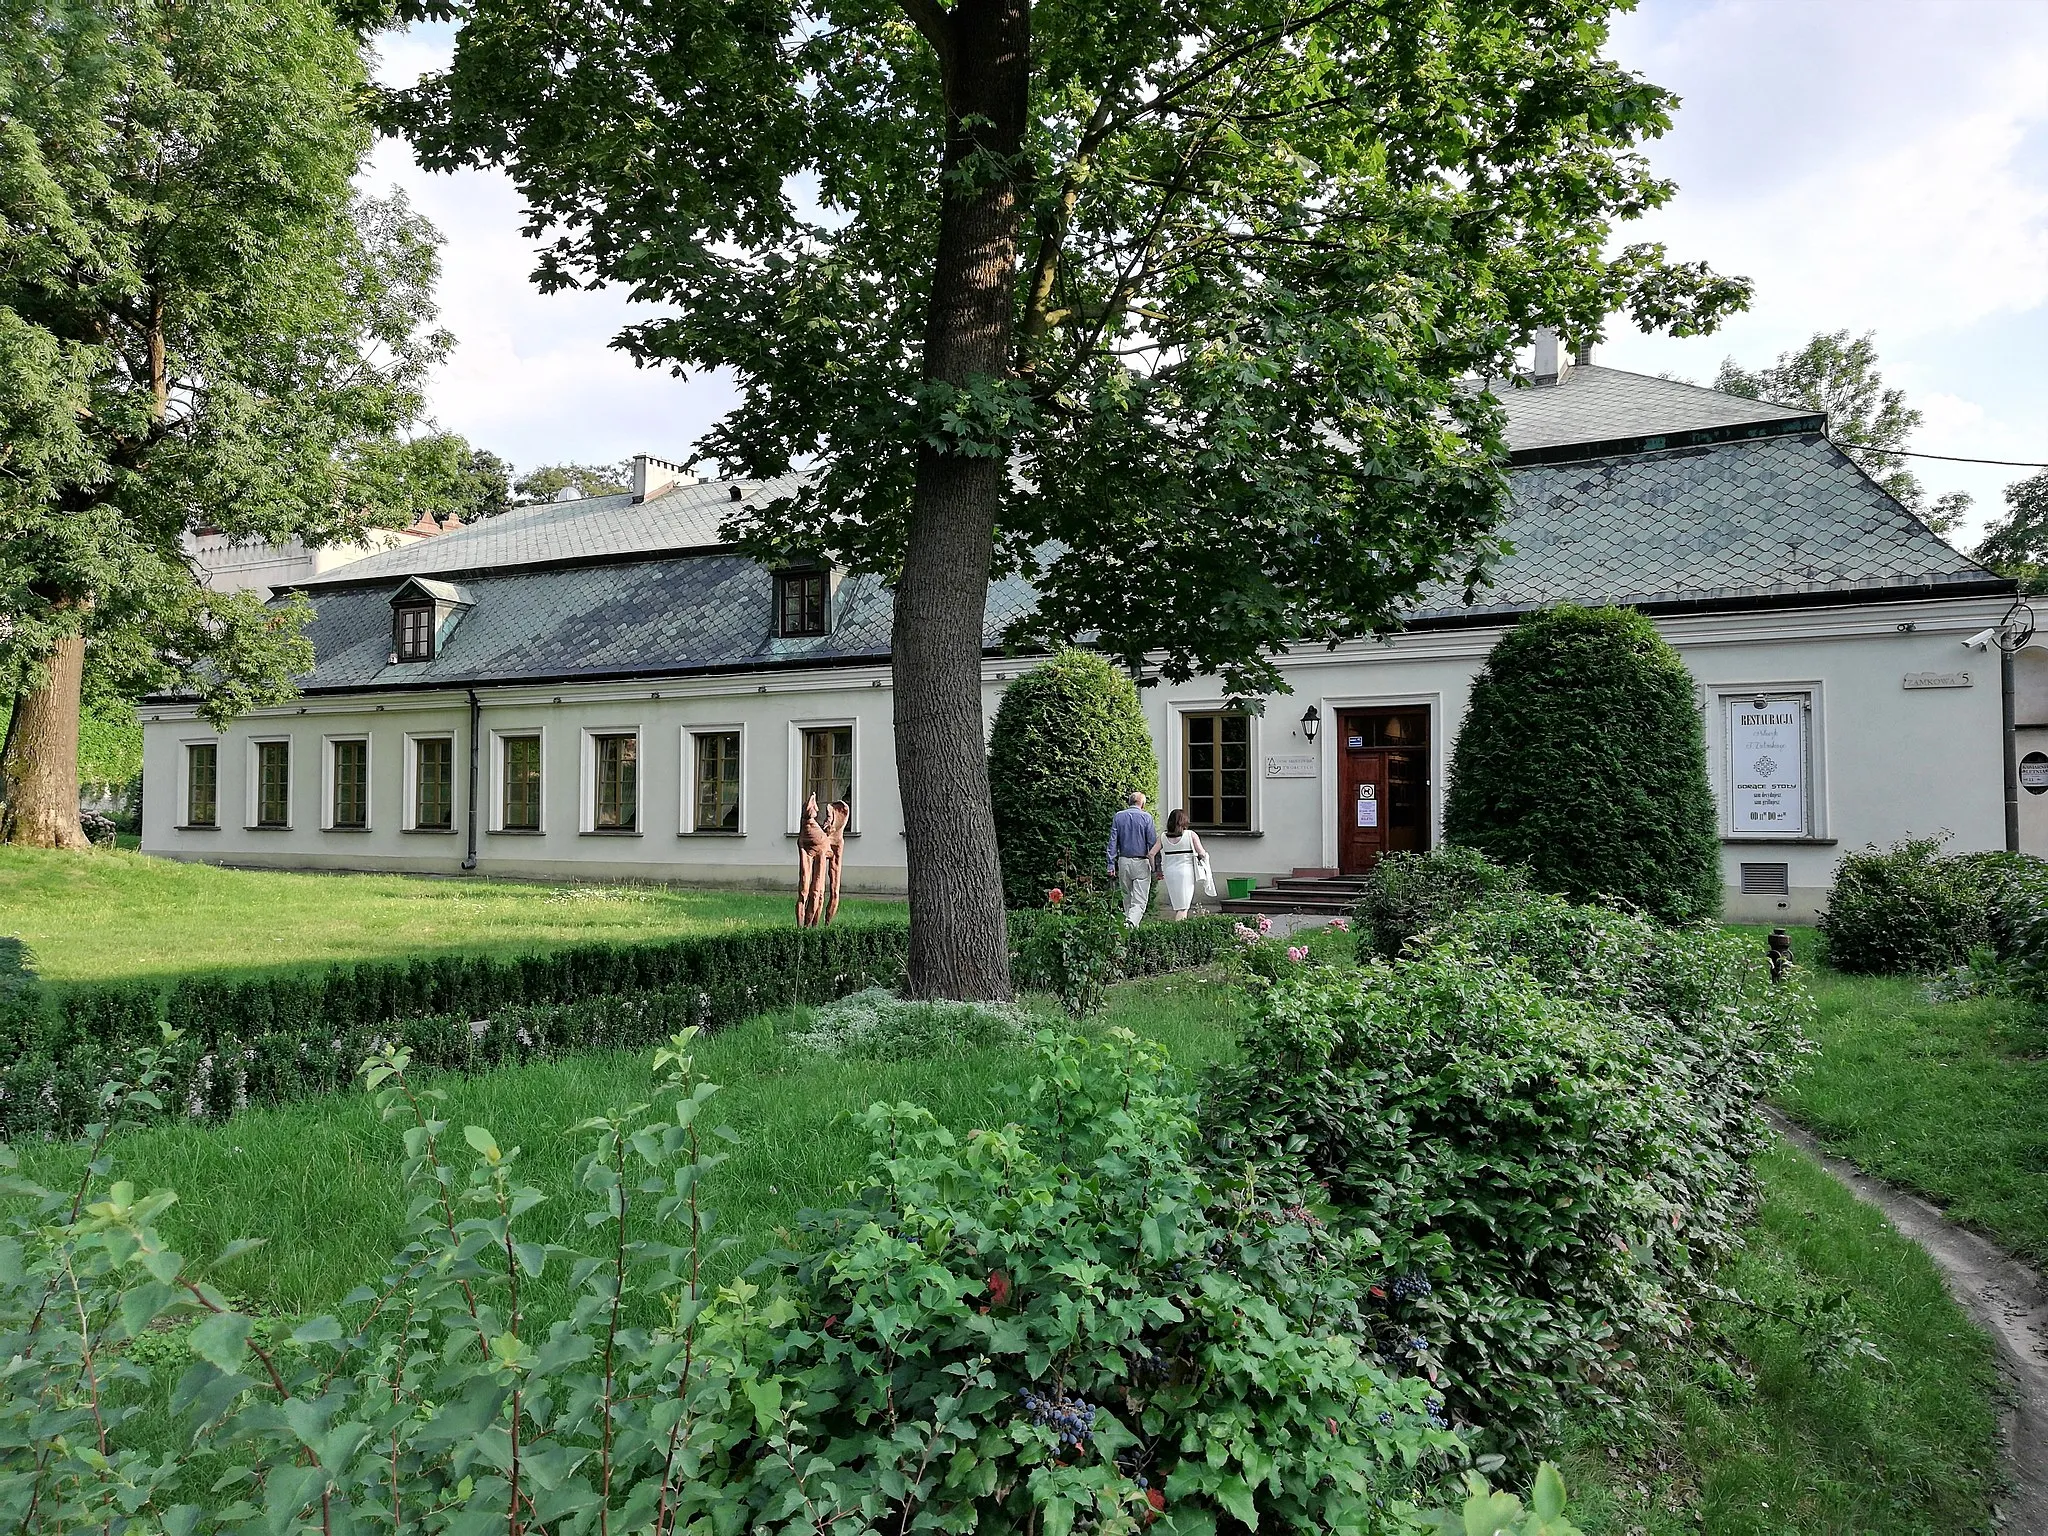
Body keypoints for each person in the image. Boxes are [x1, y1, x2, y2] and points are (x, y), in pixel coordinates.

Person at [1105, 790, 1160, 928]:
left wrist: (1110, 864)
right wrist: (1157, 867)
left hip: (1123, 861)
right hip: (1141, 861)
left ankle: (1127, 933)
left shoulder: (1118, 817)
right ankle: (1129, 927)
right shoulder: (1146, 817)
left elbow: (1113, 842)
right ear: (1142, 804)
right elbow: (1152, 843)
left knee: (1127, 898)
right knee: (1139, 901)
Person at [1158, 808, 1209, 921]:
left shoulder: (1163, 836)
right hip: (1186, 872)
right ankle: (1178, 931)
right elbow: (1202, 853)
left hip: (1170, 872)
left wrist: (1156, 870)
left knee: (1178, 905)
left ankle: (1178, 927)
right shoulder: (1190, 835)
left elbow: (1151, 853)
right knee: (1184, 907)